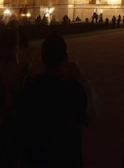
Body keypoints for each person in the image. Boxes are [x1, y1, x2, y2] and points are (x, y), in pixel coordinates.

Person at [18, 34, 97, 168]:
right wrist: (81, 78)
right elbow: (91, 115)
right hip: (66, 157)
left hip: (36, 157)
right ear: (65, 56)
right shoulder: (70, 86)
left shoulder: (30, 85)